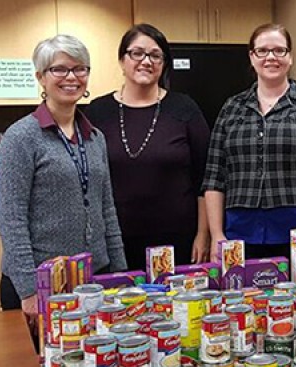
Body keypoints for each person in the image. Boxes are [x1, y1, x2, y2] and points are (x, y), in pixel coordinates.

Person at [0, 35, 127, 341]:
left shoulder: (94, 137)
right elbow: (11, 221)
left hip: (94, 279)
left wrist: (120, 275)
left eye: (80, 69)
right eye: (60, 69)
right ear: (41, 76)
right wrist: (29, 291)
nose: (72, 77)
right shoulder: (21, 137)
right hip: (41, 282)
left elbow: (107, 209)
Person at [202, 23, 296, 261]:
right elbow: (214, 176)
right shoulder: (232, 108)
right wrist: (216, 233)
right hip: (238, 233)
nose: (271, 57)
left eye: (279, 50)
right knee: (241, 297)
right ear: (251, 56)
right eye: (263, 50)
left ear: (290, 57)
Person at [85, 24, 211, 270]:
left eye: (155, 55)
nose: (146, 61)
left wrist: (203, 235)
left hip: (179, 242)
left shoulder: (184, 109)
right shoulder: (98, 112)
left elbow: (205, 179)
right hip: (115, 242)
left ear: (163, 63)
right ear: (122, 60)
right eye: (137, 53)